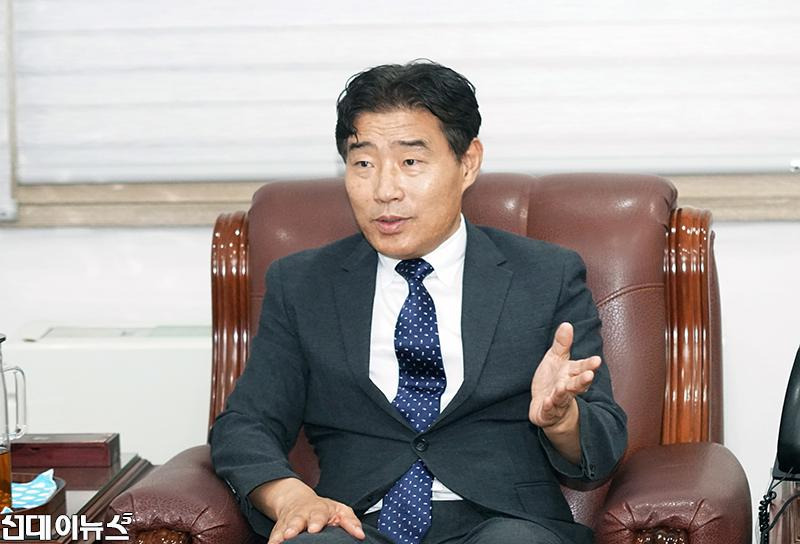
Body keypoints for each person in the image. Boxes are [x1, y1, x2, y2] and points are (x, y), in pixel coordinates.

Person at [210, 60, 627, 544]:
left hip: (505, 523)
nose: (385, 191)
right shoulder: (304, 284)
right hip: (352, 523)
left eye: (410, 162)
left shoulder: (545, 275)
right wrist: (290, 497)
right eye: (363, 164)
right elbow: (247, 424)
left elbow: (604, 442)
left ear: (467, 163)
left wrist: (563, 419)